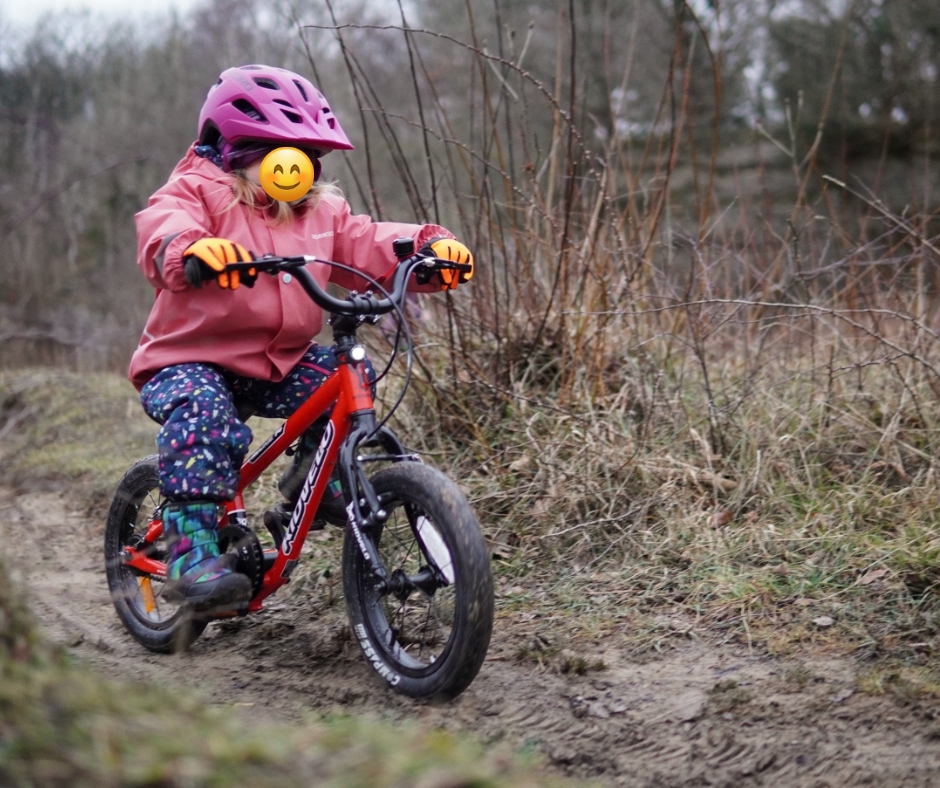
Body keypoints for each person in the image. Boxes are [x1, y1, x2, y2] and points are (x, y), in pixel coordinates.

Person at [129, 64, 473, 614]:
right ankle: (189, 550)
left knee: (338, 383)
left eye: (310, 159)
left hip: (277, 362)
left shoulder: (320, 210)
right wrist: (191, 250)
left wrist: (427, 249)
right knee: (205, 418)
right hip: (189, 359)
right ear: (240, 150)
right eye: (286, 156)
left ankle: (312, 484)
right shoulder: (198, 192)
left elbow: (366, 242)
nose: (302, 172)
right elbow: (163, 226)